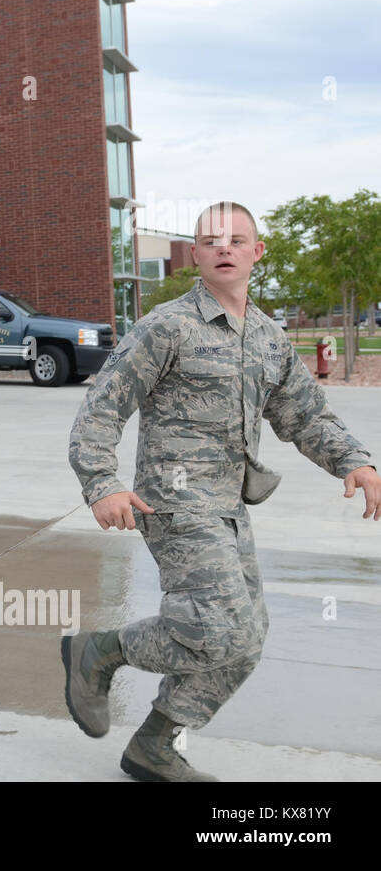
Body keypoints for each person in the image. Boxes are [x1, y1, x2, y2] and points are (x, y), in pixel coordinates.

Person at [65, 201, 380, 782]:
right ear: (196, 255)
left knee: (248, 639)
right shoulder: (168, 325)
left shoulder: (267, 336)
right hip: (172, 504)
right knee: (218, 628)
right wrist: (102, 483)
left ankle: (154, 745)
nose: (224, 248)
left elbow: (304, 415)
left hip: (229, 508)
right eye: (211, 240)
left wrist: (354, 462)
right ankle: (101, 649)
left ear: (257, 252)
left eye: (237, 240)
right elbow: (102, 408)